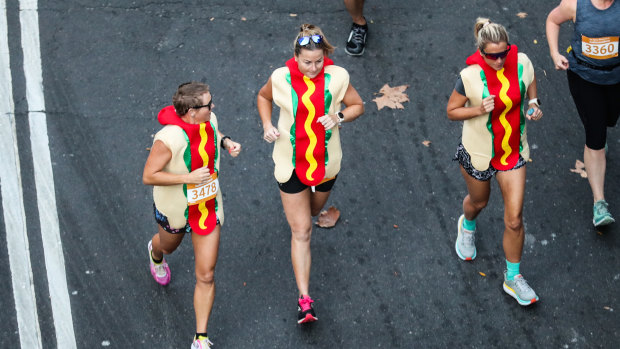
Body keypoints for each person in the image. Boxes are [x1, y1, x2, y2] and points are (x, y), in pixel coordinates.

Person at [257, 24, 364, 323]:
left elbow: (358, 105)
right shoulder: (280, 77)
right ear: (295, 56)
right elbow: (263, 97)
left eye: (318, 61)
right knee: (301, 230)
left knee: (314, 209)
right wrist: (267, 125)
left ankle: (316, 212)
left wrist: (339, 115)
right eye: (307, 62)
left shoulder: (338, 77)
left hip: (326, 162)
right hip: (289, 163)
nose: (313, 67)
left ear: (325, 55)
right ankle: (305, 300)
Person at [446, 18, 542, 306]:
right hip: (479, 154)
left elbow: (531, 82)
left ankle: (513, 277)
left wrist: (534, 104)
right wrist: (477, 109)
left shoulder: (522, 62)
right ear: (481, 51)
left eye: (504, 53)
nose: (500, 60)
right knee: (479, 203)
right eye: (493, 56)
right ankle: (468, 226)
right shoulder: (469, 76)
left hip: (513, 153)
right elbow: (451, 111)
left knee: (514, 219)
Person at [143, 82, 241, 348]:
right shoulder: (168, 139)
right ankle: (155, 251)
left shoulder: (210, 120)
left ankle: (201, 338)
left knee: (206, 274)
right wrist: (188, 177)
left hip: (208, 207)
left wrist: (225, 142)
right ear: (191, 112)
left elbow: (214, 132)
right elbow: (149, 175)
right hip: (176, 210)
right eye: (208, 104)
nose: (213, 107)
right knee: (168, 247)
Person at [546, 0, 620, 227]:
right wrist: (554, 53)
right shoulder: (575, 5)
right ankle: (599, 204)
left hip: (616, 79)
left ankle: (599, 139)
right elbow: (552, 20)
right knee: (595, 138)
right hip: (585, 79)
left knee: (609, 120)